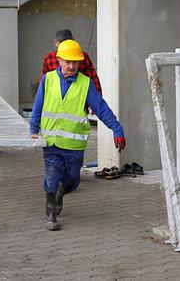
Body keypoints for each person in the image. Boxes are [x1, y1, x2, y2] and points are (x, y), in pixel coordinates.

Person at [30, 39, 126, 231]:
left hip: (74, 146)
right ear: (59, 60)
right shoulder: (48, 80)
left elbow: (101, 108)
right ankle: (50, 214)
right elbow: (37, 106)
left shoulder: (85, 84)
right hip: (52, 142)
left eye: (75, 62)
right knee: (51, 175)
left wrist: (117, 129)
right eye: (68, 61)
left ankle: (60, 192)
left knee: (73, 180)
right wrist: (33, 130)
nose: (72, 65)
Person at [41, 29, 102, 95]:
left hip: (80, 98)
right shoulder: (49, 58)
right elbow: (45, 82)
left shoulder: (82, 56)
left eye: (75, 62)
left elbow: (93, 79)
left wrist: (97, 100)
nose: (71, 66)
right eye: (67, 62)